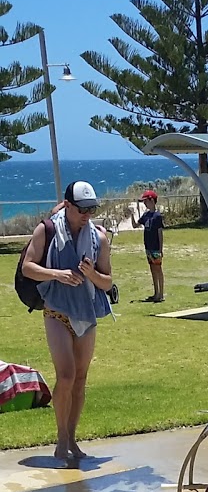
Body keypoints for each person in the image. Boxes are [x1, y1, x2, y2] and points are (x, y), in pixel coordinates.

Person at [21, 179, 114, 464]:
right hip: (56, 310)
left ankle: (72, 436)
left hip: (86, 312)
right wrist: (57, 274)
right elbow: (28, 267)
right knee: (66, 375)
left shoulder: (99, 238)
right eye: (81, 209)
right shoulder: (47, 229)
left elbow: (107, 282)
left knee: (81, 379)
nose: (87, 214)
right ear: (68, 206)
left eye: (92, 208)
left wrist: (90, 275)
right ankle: (61, 437)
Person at [131, 189, 165, 302]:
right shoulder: (146, 215)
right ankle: (156, 293)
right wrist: (132, 214)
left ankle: (161, 293)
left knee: (158, 269)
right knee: (152, 269)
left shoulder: (157, 216)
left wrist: (161, 249)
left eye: (146, 201)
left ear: (152, 201)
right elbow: (135, 225)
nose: (145, 203)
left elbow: (160, 233)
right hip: (148, 246)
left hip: (155, 246)